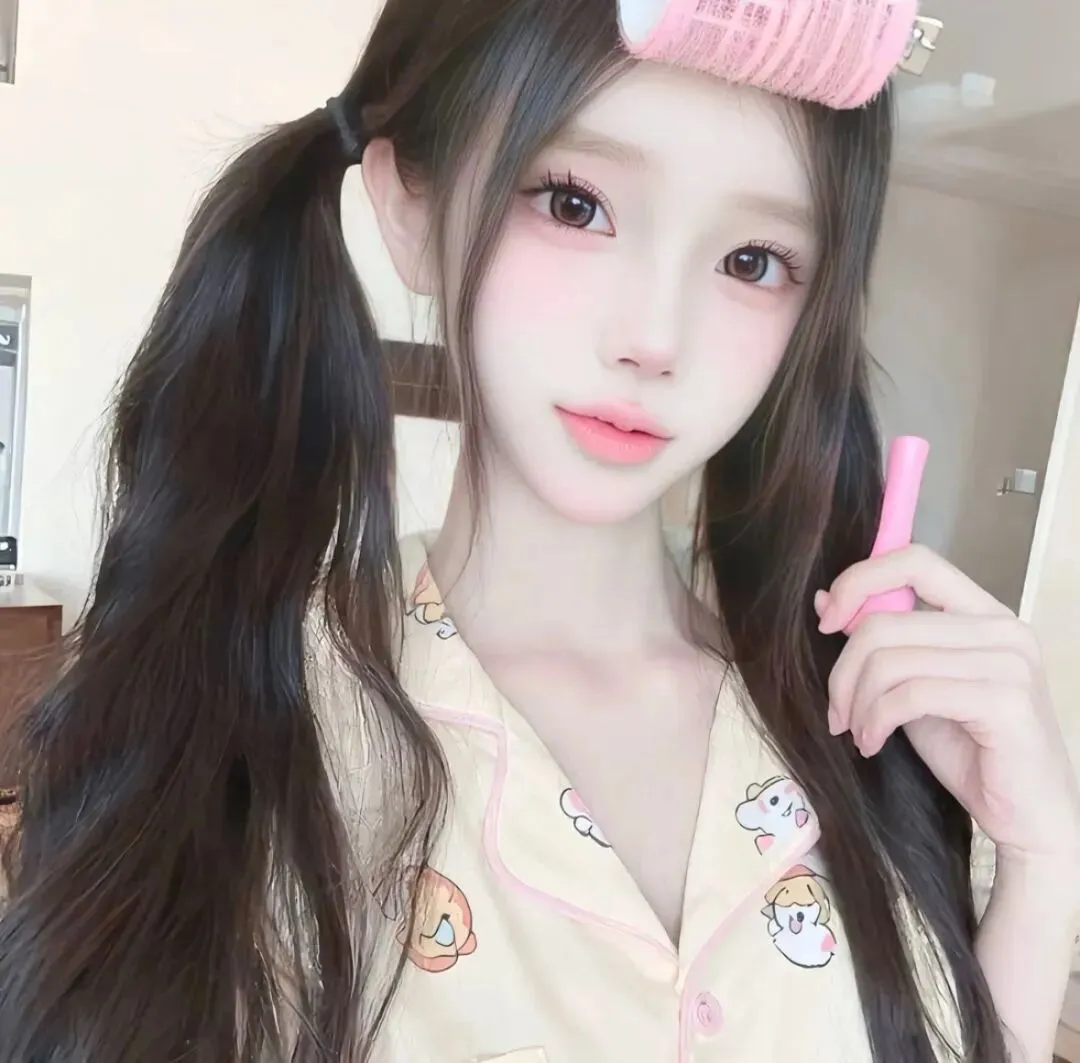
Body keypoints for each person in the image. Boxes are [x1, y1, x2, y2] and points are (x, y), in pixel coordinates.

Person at [1, 0, 1078, 1061]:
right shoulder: (238, 728)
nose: (655, 337)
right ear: (412, 207)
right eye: (574, 203)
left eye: (753, 261)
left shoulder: (856, 727)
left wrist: (1041, 867)